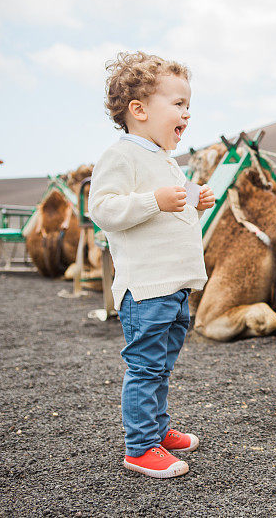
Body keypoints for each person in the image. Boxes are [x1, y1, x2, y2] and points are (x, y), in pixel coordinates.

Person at [89, 51, 215, 478]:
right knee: (145, 367)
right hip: (145, 289)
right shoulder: (122, 156)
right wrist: (153, 200)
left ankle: (156, 430)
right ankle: (139, 446)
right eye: (177, 104)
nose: (186, 113)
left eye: (187, 105)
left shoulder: (164, 160)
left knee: (161, 367)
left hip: (175, 286)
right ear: (139, 111)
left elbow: (169, 221)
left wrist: (193, 202)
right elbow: (103, 208)